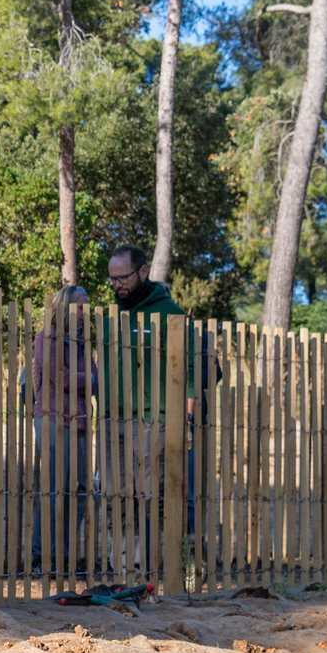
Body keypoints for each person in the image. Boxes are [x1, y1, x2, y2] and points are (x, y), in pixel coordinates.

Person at [102, 246, 190, 578]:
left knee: (149, 496)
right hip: (114, 420)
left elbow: (189, 370)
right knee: (117, 494)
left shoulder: (169, 313)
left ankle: (149, 563)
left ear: (142, 271)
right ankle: (121, 563)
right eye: (112, 279)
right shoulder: (114, 315)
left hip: (153, 420)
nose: (117, 285)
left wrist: (186, 417)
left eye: (122, 277)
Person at [28, 285, 95, 572]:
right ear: (67, 307)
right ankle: (42, 553)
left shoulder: (82, 342)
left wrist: (88, 378)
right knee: (53, 488)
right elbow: (62, 379)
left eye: (86, 305)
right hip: (53, 420)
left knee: (79, 489)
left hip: (79, 419)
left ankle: (66, 553)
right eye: (81, 305)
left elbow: (95, 379)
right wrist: (89, 378)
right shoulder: (46, 339)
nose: (85, 311)